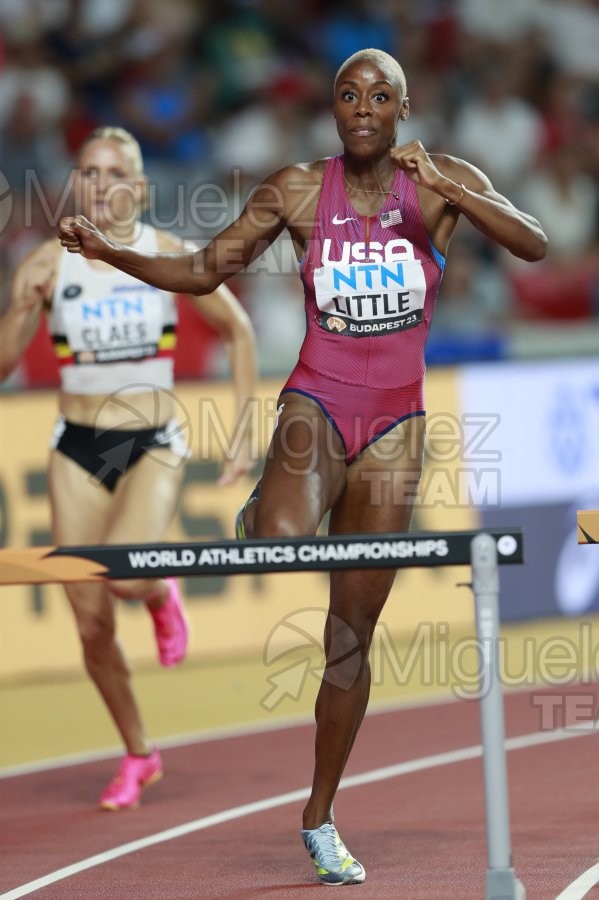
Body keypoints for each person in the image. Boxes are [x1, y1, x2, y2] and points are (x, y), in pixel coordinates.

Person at [58, 51, 547, 882]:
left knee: (349, 637)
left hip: (397, 422)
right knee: (281, 537)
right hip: (316, 400)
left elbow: (531, 244)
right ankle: (266, 508)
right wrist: (109, 251)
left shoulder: (436, 180)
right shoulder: (294, 189)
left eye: (379, 97)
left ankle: (319, 814)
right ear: (333, 109)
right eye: (348, 96)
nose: (361, 108)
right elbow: (204, 270)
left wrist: (452, 186)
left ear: (402, 107)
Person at [0, 126, 257, 811]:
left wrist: (240, 432)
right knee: (89, 626)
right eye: (88, 172)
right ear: (75, 183)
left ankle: (158, 590)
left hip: (151, 441)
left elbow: (238, 331)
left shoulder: (166, 254)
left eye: (115, 173)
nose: (100, 184)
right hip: (75, 446)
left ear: (139, 188)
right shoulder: (48, 265)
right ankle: (140, 754)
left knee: (127, 577)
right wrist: (23, 303)